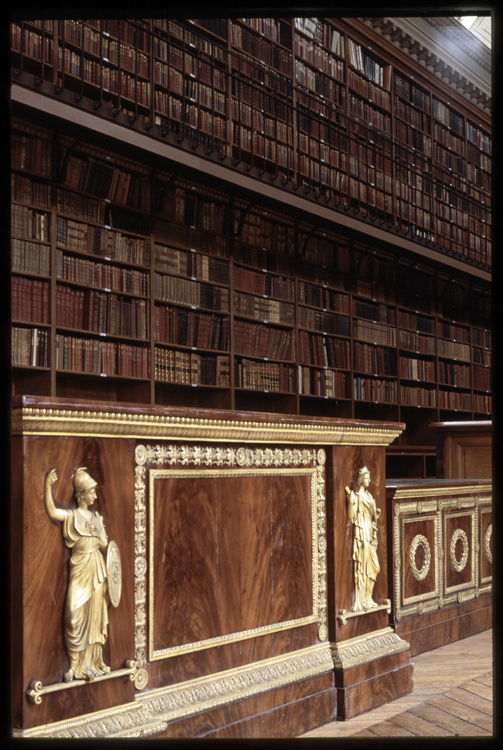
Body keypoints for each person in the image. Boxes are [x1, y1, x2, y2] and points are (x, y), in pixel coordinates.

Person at [44, 466, 110, 681]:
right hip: (80, 570)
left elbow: (105, 546)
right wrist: (47, 486)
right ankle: (74, 665)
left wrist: (101, 540)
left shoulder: (96, 518)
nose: (95, 496)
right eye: (92, 492)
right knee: (73, 616)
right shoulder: (72, 516)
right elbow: (53, 512)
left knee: (94, 617)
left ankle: (90, 664)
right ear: (82, 495)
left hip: (96, 569)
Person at [345, 467, 381, 612]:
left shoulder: (369, 496)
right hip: (362, 534)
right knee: (364, 568)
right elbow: (351, 516)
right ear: (360, 480)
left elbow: (373, 516)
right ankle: (362, 600)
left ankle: (368, 597)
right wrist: (350, 500)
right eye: (367, 478)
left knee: (374, 568)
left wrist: (376, 516)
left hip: (370, 533)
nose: (369, 480)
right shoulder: (356, 497)